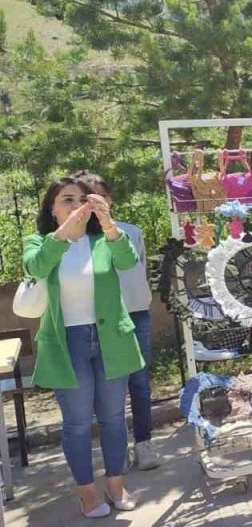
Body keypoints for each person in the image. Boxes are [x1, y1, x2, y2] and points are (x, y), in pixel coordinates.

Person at [24, 176, 144, 517]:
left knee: (114, 418)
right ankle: (87, 492)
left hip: (110, 338)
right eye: (67, 199)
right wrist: (63, 235)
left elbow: (127, 260)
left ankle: (116, 484)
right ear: (52, 208)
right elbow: (36, 266)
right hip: (68, 342)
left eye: (82, 199)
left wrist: (107, 223)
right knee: (77, 422)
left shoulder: (103, 239)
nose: (76, 206)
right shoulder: (40, 241)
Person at [71, 170, 161, 471]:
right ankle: (115, 448)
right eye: (87, 198)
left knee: (139, 381)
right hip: (99, 320)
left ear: (109, 199)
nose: (95, 204)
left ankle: (144, 443)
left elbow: (138, 270)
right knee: (106, 388)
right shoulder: (77, 240)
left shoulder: (130, 231)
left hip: (135, 314)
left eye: (101, 196)